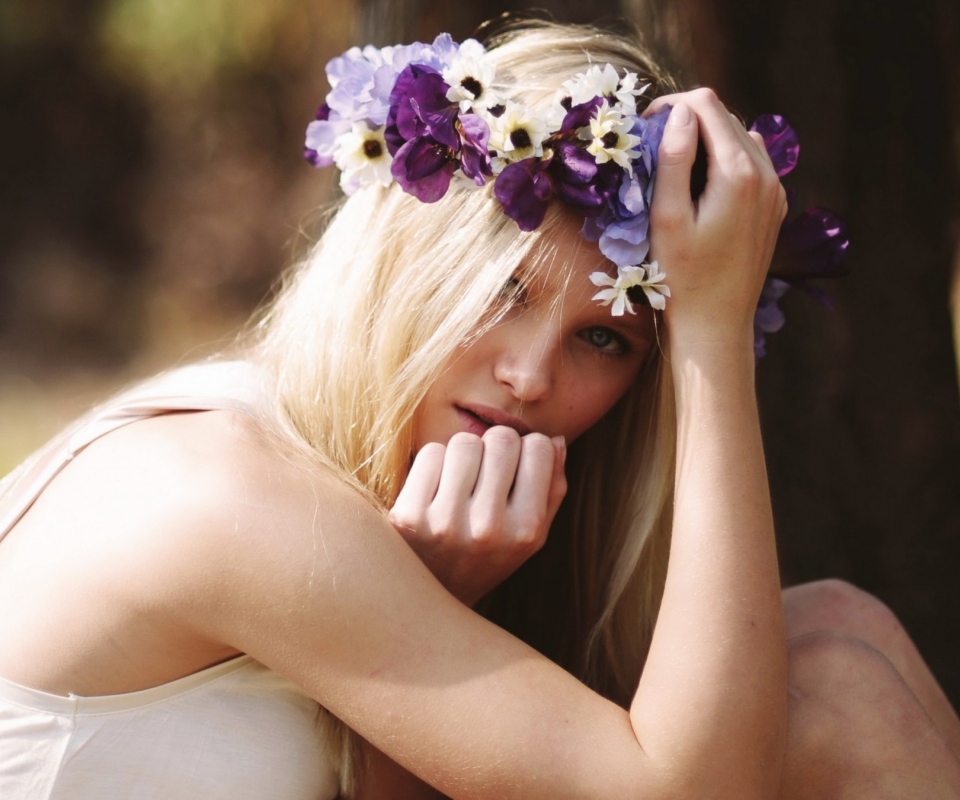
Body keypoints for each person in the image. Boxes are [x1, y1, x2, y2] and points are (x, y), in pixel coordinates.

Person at [0, 19, 958, 800]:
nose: (531, 378)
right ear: (412, 251)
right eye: (504, 291)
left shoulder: (379, 515)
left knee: (841, 633)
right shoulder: (231, 497)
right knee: (838, 715)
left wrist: (442, 599)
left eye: (605, 338)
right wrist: (711, 333)